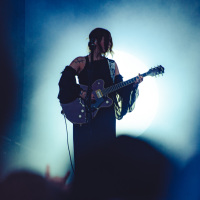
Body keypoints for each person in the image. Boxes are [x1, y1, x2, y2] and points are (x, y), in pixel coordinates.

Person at [58, 28, 143, 176]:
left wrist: (133, 85)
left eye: (110, 40)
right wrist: (82, 92)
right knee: (85, 160)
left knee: (106, 159)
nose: (110, 43)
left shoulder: (112, 65)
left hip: (105, 117)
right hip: (84, 115)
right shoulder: (80, 61)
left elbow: (119, 89)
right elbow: (64, 82)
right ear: (96, 40)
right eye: (107, 39)